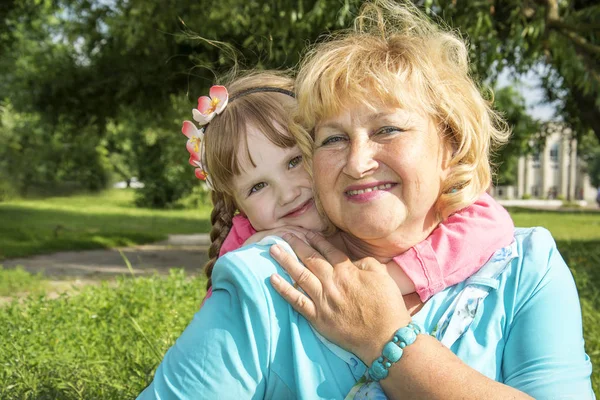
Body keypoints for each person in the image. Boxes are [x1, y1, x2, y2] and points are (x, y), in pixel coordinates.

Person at [138, 3, 594, 397]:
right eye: (333, 138)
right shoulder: (264, 281)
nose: (357, 163)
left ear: (450, 145)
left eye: (387, 129)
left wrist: (386, 339)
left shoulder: (525, 268)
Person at [182, 73, 514, 305]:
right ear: (237, 204)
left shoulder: (367, 204)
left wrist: (392, 280)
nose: (287, 194)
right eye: (257, 187)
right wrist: (249, 257)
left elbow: (488, 222)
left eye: (295, 161)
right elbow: (216, 333)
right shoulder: (248, 239)